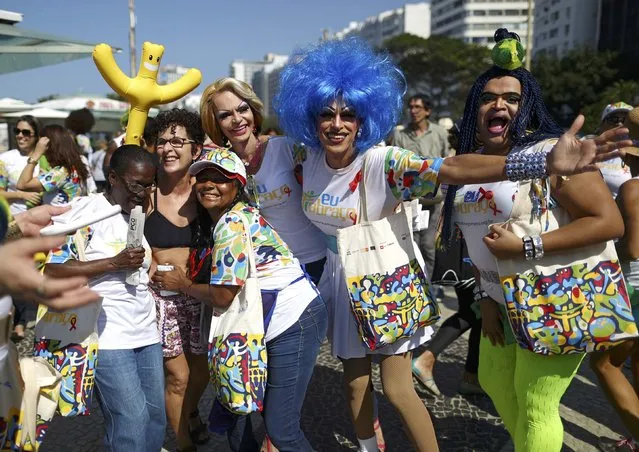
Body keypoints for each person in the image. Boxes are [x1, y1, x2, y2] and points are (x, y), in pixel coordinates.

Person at [273, 36, 630, 452]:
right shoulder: (308, 160)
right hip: (340, 282)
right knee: (354, 388)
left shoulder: (384, 162)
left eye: (348, 113)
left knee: (400, 389)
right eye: (326, 114)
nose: (337, 123)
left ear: (364, 118)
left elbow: (450, 167)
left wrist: (540, 162)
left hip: (383, 283)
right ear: (309, 118)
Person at [438, 28, 629, 451]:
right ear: (475, 106)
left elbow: (609, 222)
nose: (498, 104)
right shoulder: (477, 162)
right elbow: (474, 237)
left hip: (553, 297)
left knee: (537, 404)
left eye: (511, 98)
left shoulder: (550, 153)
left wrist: (527, 247)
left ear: (529, 107)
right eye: (488, 97)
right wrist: (488, 298)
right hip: (501, 301)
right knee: (491, 379)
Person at [199, 78, 345, 451]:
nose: (236, 119)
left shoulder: (285, 148)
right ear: (215, 122)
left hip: (311, 268)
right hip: (257, 282)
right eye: (225, 114)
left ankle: (365, 428)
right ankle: (274, 435)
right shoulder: (218, 165)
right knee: (258, 368)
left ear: (254, 109)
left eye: (242, 109)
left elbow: (333, 162)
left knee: (345, 358)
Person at [152, 147, 328, 452]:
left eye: (221, 179)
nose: (209, 184)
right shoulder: (229, 219)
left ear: (238, 185)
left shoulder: (232, 224)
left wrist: (183, 284)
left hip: (292, 320)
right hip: (267, 320)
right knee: (234, 411)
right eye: (203, 178)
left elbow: (222, 295)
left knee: (282, 429)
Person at [44, 145, 166, 452]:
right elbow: (52, 270)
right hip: (107, 335)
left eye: (150, 184)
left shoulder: (137, 212)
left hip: (146, 332)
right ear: (112, 177)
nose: (144, 192)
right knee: (131, 421)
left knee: (154, 420)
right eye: (137, 184)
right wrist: (112, 263)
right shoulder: (84, 211)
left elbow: (135, 263)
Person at [145, 109, 209, 451]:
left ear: (195, 150)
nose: (168, 148)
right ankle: (182, 442)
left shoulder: (207, 191)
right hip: (162, 301)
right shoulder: (146, 194)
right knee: (178, 377)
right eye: (162, 141)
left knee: (203, 373)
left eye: (178, 141)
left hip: (200, 297)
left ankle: (191, 412)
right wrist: (147, 259)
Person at [411, 121, 484, 397]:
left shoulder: (456, 162)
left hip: (461, 245)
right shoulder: (469, 164)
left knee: (476, 313)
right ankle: (428, 358)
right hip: (467, 249)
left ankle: (471, 376)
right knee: (473, 310)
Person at [592, 108, 639, 452]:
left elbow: (634, 250)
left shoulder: (632, 189)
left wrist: (608, 242)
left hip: (635, 288)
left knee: (605, 363)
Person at [391, 93, 450, 279]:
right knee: (410, 244)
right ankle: (413, 283)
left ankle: (431, 285)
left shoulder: (439, 133)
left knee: (428, 245)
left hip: (434, 199)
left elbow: (448, 161)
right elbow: (394, 165)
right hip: (409, 199)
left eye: (418, 107)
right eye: (411, 107)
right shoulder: (400, 135)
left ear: (427, 111)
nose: (413, 111)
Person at [16, 124, 90, 206]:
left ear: (49, 145)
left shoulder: (61, 172)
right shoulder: (75, 166)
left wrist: (36, 154)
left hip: (61, 217)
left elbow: (22, 184)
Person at [0, 115, 43, 214]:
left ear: (37, 135)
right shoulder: (4, 159)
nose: (20, 135)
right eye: (17, 131)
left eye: (26, 132)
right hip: (14, 220)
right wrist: (22, 195)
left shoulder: (47, 159)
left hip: (43, 219)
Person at [594, 102, 634, 199]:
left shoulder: (636, 154)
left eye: (625, 120)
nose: (619, 123)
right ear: (602, 124)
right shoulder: (587, 148)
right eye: (613, 119)